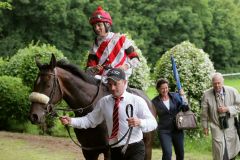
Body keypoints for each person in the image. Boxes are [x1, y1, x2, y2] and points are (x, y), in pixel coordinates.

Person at [59, 68, 157, 160]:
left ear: (124, 82)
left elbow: (153, 123)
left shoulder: (137, 100)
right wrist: (71, 121)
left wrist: (140, 122)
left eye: (116, 84)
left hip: (134, 148)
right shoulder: (104, 102)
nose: (113, 88)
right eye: (110, 84)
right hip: (115, 150)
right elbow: (90, 120)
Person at [86, 6, 140, 80]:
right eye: (94, 26)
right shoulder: (94, 45)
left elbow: (135, 59)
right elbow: (88, 69)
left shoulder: (122, 39)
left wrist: (125, 67)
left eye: (99, 25)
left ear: (107, 25)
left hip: (120, 79)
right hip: (101, 80)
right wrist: (94, 69)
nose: (96, 28)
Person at [201, 72, 240, 160]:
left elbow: (239, 107)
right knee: (219, 152)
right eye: (215, 83)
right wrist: (205, 127)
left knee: (232, 150)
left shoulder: (232, 91)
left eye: (219, 83)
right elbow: (204, 113)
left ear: (223, 82)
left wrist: (228, 109)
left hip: (230, 126)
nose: (217, 85)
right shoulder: (206, 95)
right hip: (216, 126)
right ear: (212, 83)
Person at [151, 78, 189, 160]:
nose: (165, 90)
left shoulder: (175, 96)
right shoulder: (154, 102)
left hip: (177, 129)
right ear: (158, 89)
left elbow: (185, 109)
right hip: (164, 131)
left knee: (180, 153)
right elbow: (152, 116)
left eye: (166, 88)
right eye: (162, 88)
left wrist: (183, 97)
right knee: (167, 153)